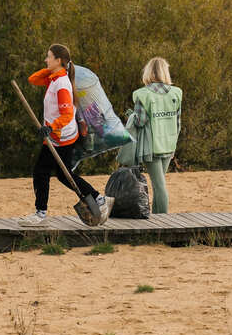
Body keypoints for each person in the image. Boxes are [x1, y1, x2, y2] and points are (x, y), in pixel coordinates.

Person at [23, 44, 112, 226]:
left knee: (45, 172)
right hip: (57, 135)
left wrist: (51, 127)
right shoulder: (54, 79)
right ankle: (99, 198)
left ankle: (41, 213)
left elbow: (67, 115)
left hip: (61, 136)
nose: (45, 60)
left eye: (49, 57)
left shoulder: (62, 84)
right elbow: (32, 79)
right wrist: (52, 70)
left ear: (58, 60)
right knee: (58, 174)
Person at [131, 57, 182, 214]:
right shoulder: (177, 93)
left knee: (159, 187)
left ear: (148, 72)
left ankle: (161, 221)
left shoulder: (142, 94)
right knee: (159, 185)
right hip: (169, 143)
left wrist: (131, 116)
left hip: (151, 146)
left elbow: (140, 121)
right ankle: (157, 218)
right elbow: (178, 122)